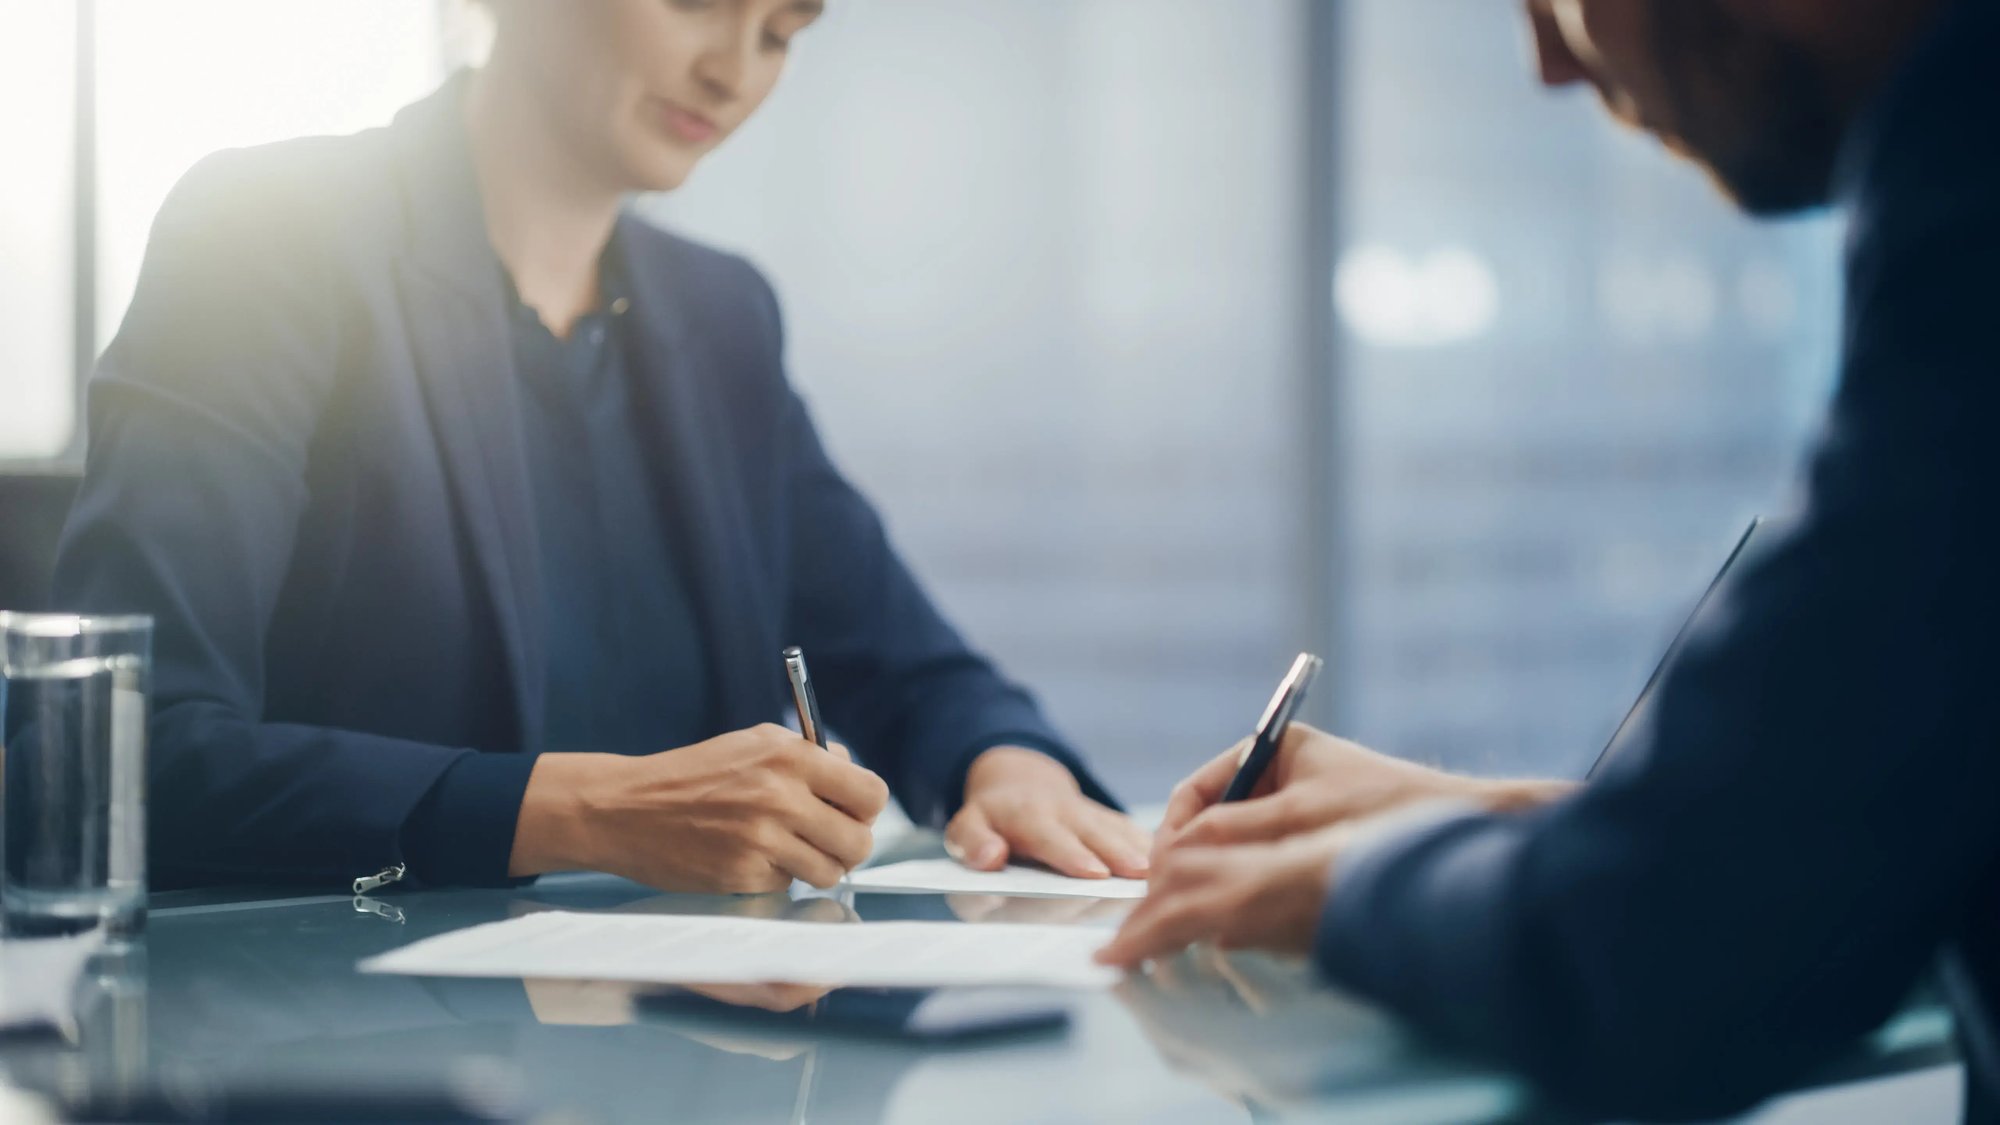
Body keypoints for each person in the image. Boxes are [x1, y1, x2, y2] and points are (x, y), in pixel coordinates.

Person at [1099, 0, 2000, 1119]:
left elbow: (1671, 949)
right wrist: (1488, 822)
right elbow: (1890, 808)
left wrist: (1344, 891)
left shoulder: (1970, 157)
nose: (1545, 65)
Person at [55, 0, 1149, 895]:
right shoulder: (269, 235)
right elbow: (116, 756)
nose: (733, 73)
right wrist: (583, 814)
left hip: (695, 1047)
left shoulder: (719, 317)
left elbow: (907, 665)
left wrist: (1005, 768)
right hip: (341, 1042)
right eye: (696, 5)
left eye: (779, 32)